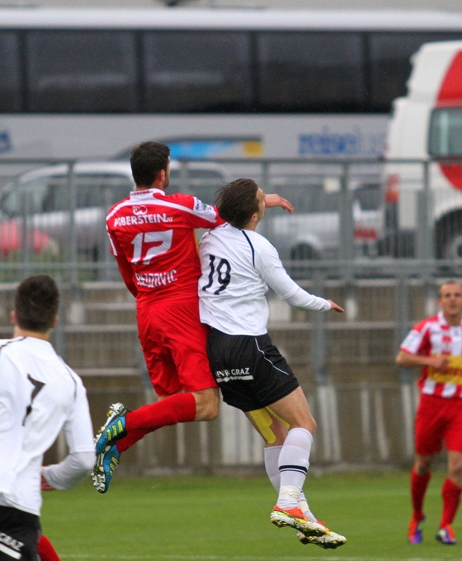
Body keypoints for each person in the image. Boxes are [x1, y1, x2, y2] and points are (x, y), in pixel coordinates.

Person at [92, 141, 293, 493]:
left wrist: (149, 297)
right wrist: (264, 200)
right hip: (181, 310)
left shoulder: (114, 216)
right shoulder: (180, 206)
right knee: (206, 405)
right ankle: (122, 425)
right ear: (162, 174)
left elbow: (126, 273)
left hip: (147, 312)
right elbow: (226, 216)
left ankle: (116, 446)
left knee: (175, 402)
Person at [197, 178, 346, 549]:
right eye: (263, 199)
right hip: (251, 348)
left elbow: (225, 215)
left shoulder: (209, 237)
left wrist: (267, 200)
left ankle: (306, 520)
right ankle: (287, 503)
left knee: (274, 436)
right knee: (303, 424)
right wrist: (324, 304)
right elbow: (292, 296)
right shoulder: (259, 246)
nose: (267, 201)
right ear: (254, 212)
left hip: (217, 352)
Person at [0, 275, 95, 561]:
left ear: (14, 315)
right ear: (55, 321)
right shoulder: (71, 381)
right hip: (19, 508)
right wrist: (48, 477)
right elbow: (84, 459)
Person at [396, 280, 462, 546]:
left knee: (457, 466)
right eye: (447, 295)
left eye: (457, 295)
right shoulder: (427, 328)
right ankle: (417, 515)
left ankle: (446, 525)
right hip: (432, 404)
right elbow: (402, 358)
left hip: (459, 407)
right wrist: (430, 361)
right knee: (423, 464)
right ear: (439, 301)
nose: (453, 299)